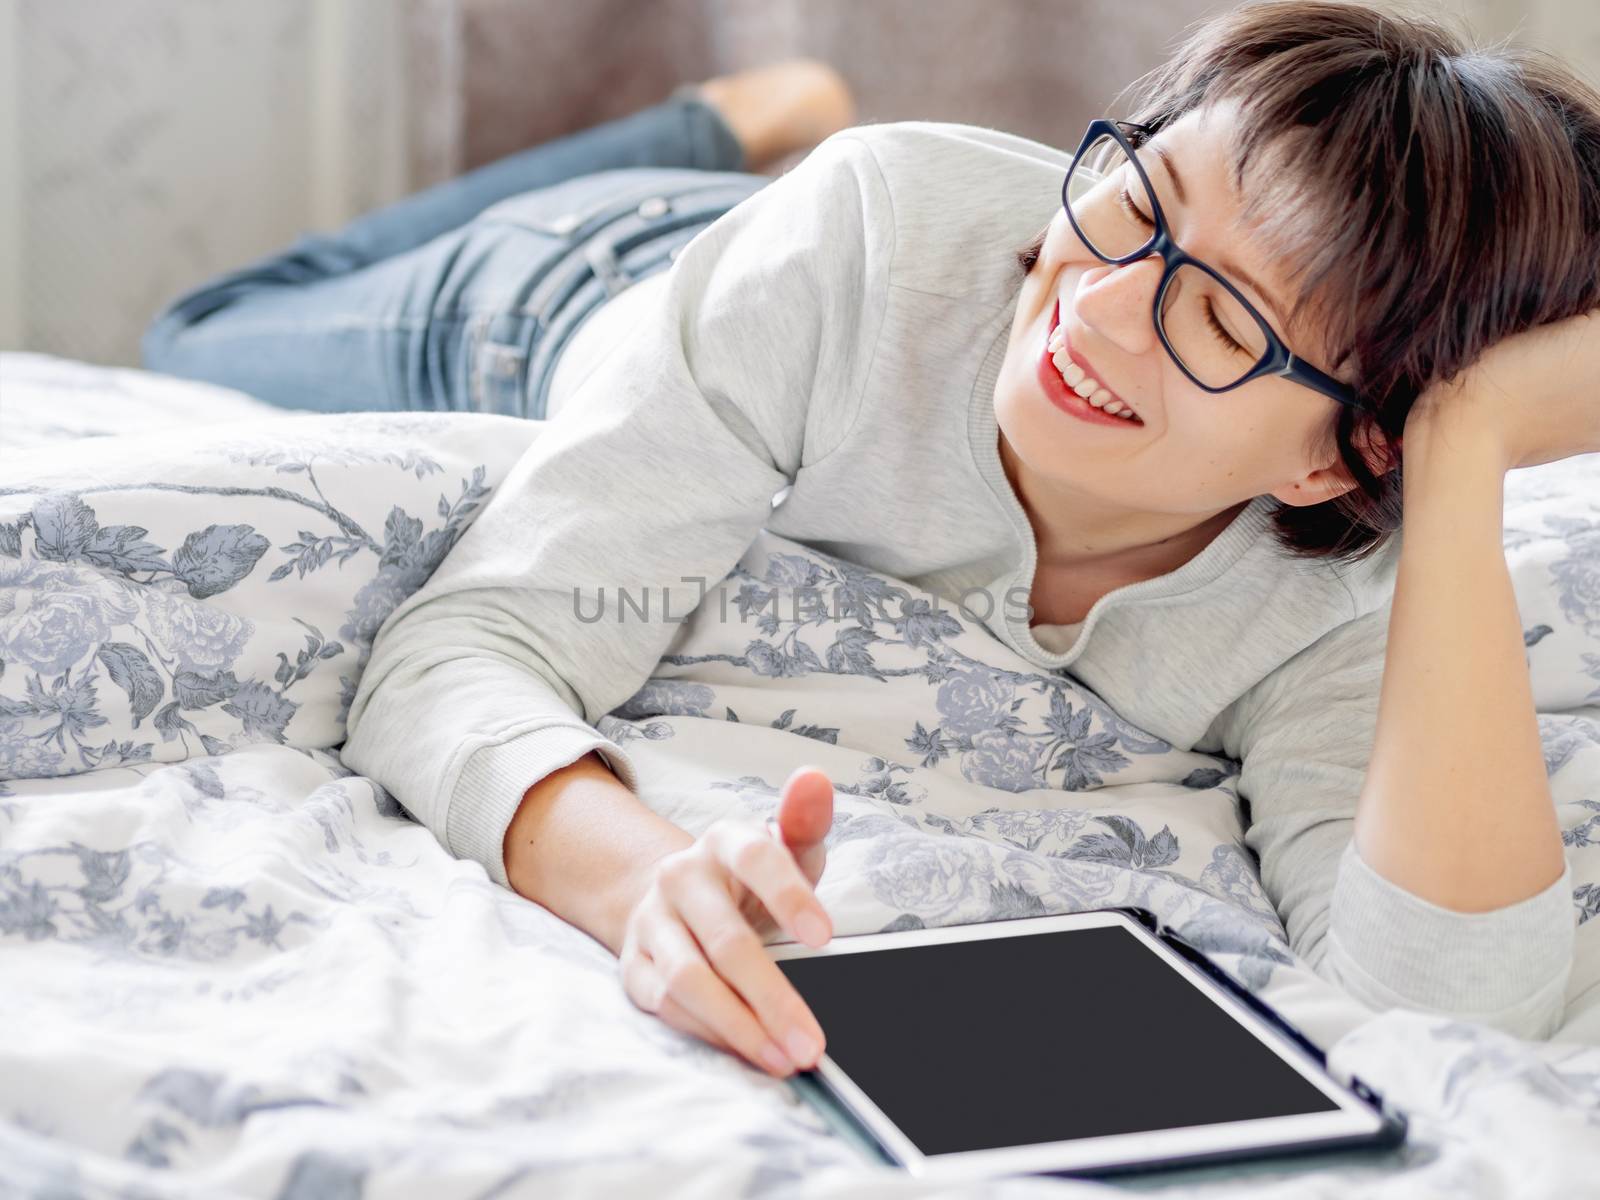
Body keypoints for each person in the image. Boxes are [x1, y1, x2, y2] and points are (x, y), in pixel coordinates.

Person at [144, 0, 1600, 1081]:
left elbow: (1458, 1003)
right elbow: (475, 645)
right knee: (191, 333)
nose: (1093, 304)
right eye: (1138, 201)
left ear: (1348, 454)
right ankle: (722, 124)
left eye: (1219, 319)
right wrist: (639, 871)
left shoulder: (1338, 596)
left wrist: (1466, 453)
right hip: (570, 287)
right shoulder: (873, 231)